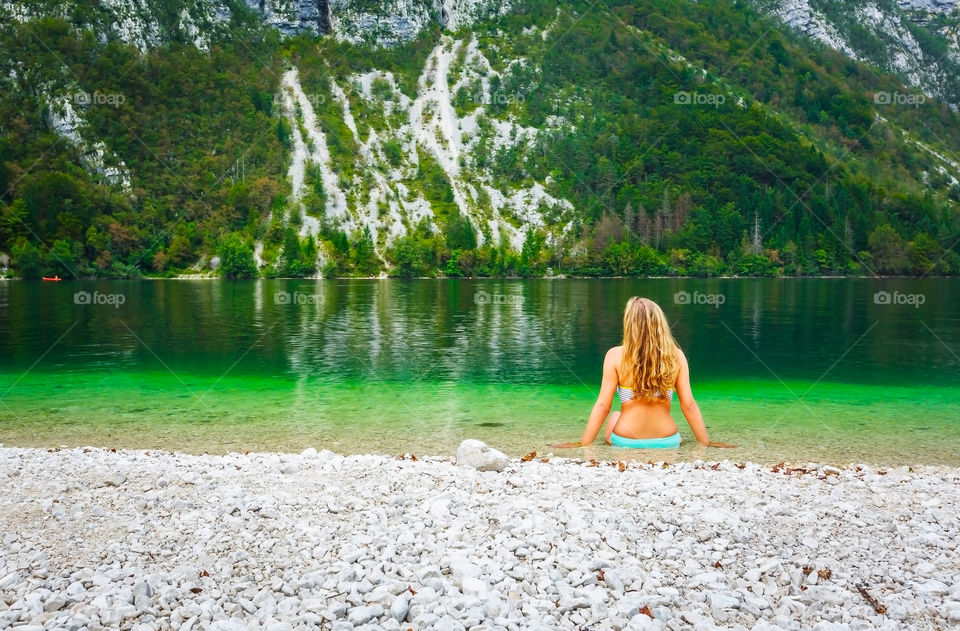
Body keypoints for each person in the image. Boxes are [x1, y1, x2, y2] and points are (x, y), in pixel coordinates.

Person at [554, 296, 735, 449]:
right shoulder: (676, 356)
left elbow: (603, 405)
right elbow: (689, 405)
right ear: (660, 324)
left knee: (615, 415)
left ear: (628, 324)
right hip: (668, 441)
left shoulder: (615, 356)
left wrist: (583, 444)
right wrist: (706, 443)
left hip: (626, 440)